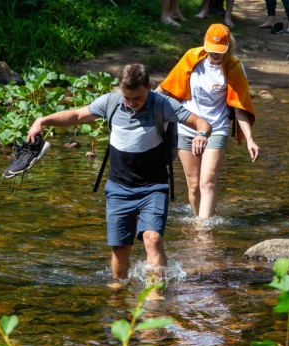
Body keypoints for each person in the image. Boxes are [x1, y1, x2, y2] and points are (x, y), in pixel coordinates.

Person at [26, 64, 212, 282]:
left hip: (153, 186)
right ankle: (119, 293)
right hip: (119, 188)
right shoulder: (111, 101)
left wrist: (200, 134)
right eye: (127, 97)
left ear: (150, 87)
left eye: (138, 98)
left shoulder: (162, 104)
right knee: (120, 249)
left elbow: (202, 122)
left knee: (152, 240)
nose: (131, 103)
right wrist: (42, 120)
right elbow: (76, 115)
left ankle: (156, 299)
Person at [158, 23, 259, 220]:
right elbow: (166, 87)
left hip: (216, 129)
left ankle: (203, 233)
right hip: (186, 128)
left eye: (220, 51)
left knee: (207, 181)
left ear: (228, 47)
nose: (215, 54)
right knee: (194, 185)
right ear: (204, 44)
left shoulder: (234, 66)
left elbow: (240, 107)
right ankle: (200, 220)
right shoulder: (191, 58)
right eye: (211, 50)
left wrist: (250, 139)